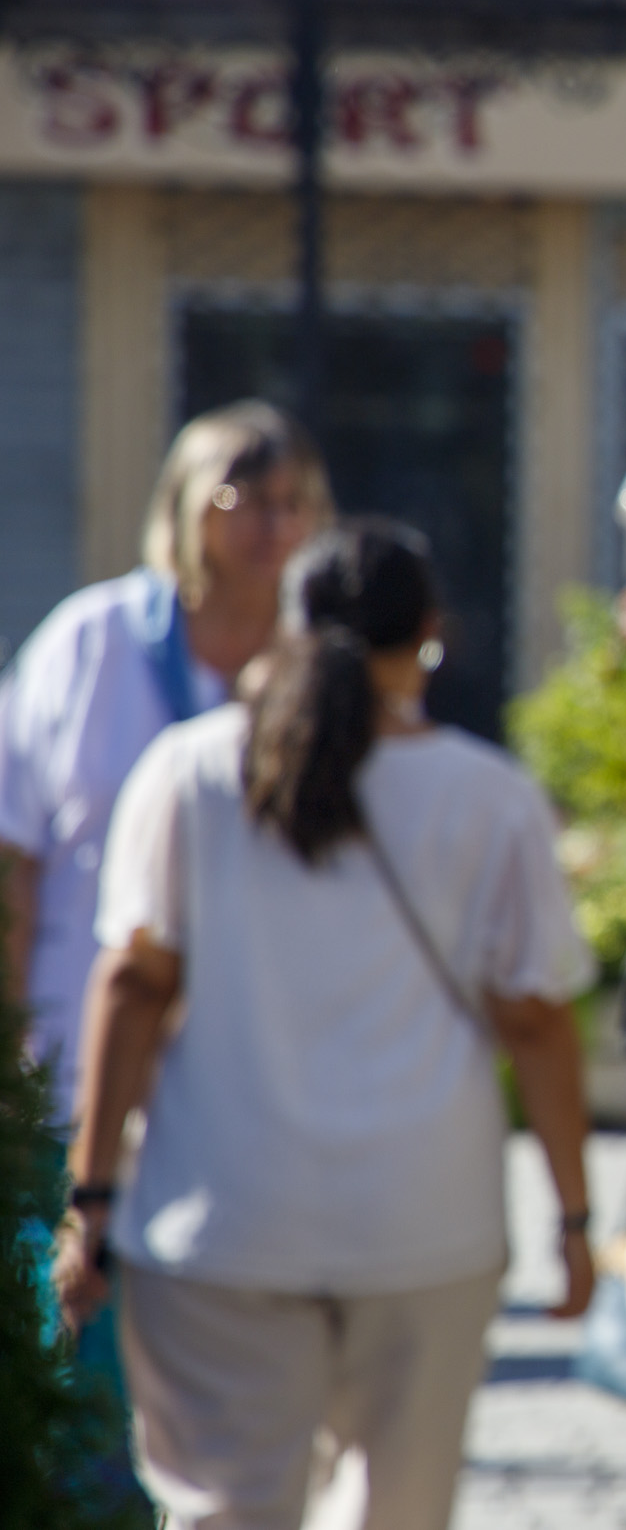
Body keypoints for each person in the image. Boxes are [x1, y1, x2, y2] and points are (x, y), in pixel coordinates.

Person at [51, 521, 596, 1530]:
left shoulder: (189, 774)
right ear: (429, 633)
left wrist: (90, 1196)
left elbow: (132, 986)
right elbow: (537, 1021)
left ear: (289, 626)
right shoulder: (491, 798)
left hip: (217, 1220)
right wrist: (572, 1218)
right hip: (425, 1223)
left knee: (224, 1511)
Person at [0, 399, 327, 1508]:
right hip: (70, 1070)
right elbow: (14, 860)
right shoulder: (92, 643)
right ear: (185, 507)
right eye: (247, 496)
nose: (273, 525)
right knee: (78, 1374)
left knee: (222, 1404)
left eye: (295, 503)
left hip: (243, 1092)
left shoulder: (312, 672)